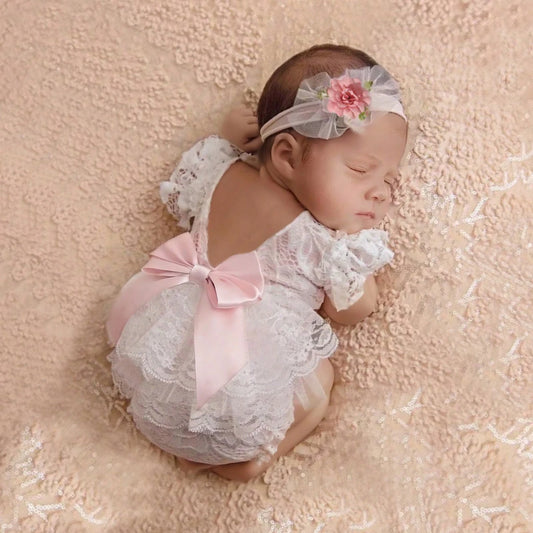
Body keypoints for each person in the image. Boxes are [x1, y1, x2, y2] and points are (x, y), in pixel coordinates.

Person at [105, 44, 408, 482]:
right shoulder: (320, 242)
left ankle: (195, 448)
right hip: (240, 399)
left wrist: (230, 136)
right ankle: (250, 461)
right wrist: (353, 251)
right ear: (285, 155)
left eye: (390, 181)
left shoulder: (219, 173)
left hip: (157, 369)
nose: (379, 193)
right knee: (318, 381)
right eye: (361, 170)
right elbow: (354, 310)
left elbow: (195, 185)